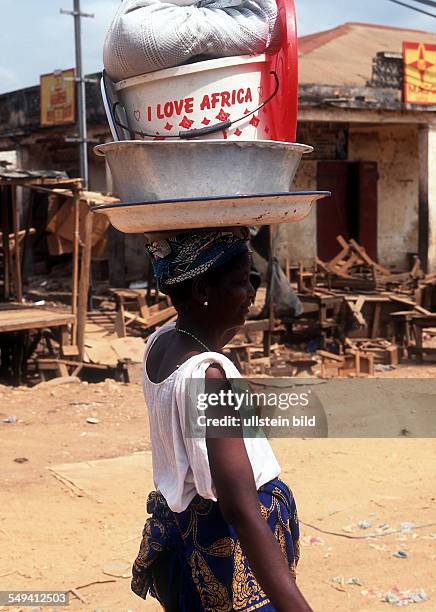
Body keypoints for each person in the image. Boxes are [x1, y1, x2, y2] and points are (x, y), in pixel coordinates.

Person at [131, 228, 312, 611]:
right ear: (201, 291)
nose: (251, 293)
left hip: (185, 539)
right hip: (225, 552)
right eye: (241, 282)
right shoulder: (208, 374)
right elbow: (240, 507)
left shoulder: (161, 342)